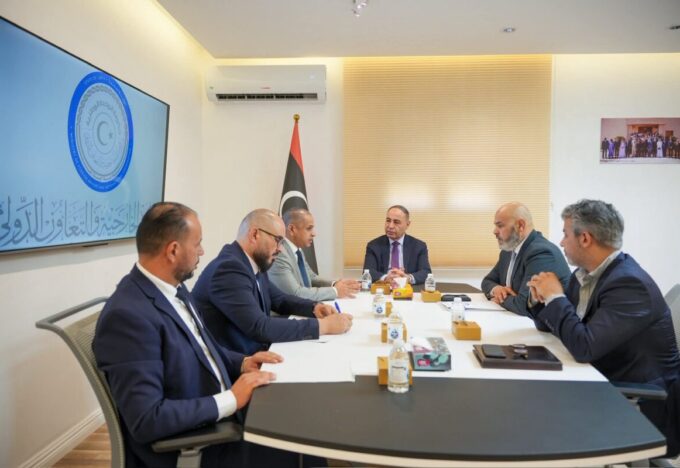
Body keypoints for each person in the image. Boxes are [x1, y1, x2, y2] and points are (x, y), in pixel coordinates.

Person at [93, 202, 304, 467]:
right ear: (173, 250)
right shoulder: (127, 317)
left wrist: (242, 362)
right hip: (197, 443)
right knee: (299, 446)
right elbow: (147, 419)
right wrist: (231, 399)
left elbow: (202, 349)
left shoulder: (174, 290)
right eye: (198, 244)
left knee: (298, 416)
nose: (202, 251)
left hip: (217, 414)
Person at [527, 199, 680, 456]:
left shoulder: (629, 284)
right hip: (602, 382)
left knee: (533, 415)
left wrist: (555, 297)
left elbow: (584, 347)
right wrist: (541, 299)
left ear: (585, 238)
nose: (561, 242)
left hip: (640, 405)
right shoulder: (585, 275)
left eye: (565, 235)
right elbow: (556, 327)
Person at [193, 209, 353, 355]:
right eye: (278, 240)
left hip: (256, 352)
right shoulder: (229, 269)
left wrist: (314, 308)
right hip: (239, 363)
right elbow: (259, 327)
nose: (280, 249)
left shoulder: (252, 263)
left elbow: (279, 299)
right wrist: (324, 326)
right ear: (255, 234)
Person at [481, 202, 570, 316]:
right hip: (514, 319)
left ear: (520, 225)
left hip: (546, 324)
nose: (495, 231)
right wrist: (496, 289)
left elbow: (524, 305)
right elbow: (487, 281)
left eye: (500, 226)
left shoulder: (540, 253)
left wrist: (501, 299)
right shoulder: (508, 250)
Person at [268, 208, 361, 301]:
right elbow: (296, 294)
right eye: (309, 228)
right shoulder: (279, 254)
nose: (314, 234)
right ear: (292, 229)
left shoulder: (297, 250)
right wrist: (335, 291)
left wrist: (334, 284)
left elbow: (311, 278)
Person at [363, 205, 432, 286]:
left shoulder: (419, 246)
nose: (390, 226)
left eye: (396, 222)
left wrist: (408, 278)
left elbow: (426, 272)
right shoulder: (374, 245)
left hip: (408, 288)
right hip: (383, 288)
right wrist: (386, 278)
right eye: (388, 220)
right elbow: (368, 272)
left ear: (407, 224)